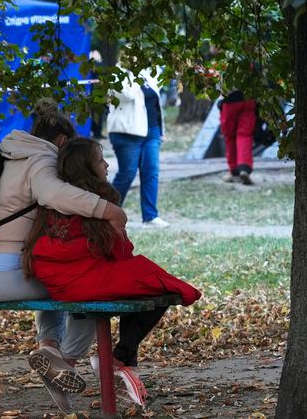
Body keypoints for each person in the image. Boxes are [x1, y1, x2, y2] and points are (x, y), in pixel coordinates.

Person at [0, 98, 129, 414]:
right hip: (6, 277)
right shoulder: (41, 161)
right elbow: (54, 193)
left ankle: (49, 348)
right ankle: (65, 362)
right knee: (87, 289)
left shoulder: (10, 154)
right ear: (63, 141)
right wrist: (109, 210)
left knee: (54, 276)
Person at [22, 138, 202, 406]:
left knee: (144, 280)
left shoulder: (55, 199)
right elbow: (118, 251)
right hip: (81, 279)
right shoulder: (97, 201)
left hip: (56, 279)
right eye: (100, 160)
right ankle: (120, 358)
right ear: (86, 167)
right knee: (161, 285)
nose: (106, 165)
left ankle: (67, 368)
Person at [106, 65, 169, 227]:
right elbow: (127, 95)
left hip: (152, 131)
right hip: (127, 132)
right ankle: (106, 213)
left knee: (151, 172)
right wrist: (134, 74)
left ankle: (150, 216)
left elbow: (155, 100)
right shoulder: (117, 74)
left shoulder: (145, 72)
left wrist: (161, 130)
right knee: (127, 173)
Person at [219, 90, 256, 185]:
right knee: (245, 135)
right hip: (249, 99)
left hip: (230, 101)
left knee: (230, 137)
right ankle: (244, 168)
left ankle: (234, 172)